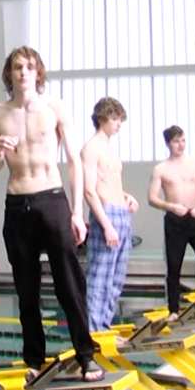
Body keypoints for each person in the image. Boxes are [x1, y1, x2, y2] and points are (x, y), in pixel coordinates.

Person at [0, 46, 101, 381]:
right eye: (17, 67)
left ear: (39, 73)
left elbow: (73, 161)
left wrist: (77, 212)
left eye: (29, 66)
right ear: (9, 74)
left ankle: (86, 355)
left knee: (70, 284)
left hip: (52, 200)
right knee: (27, 290)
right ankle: (33, 360)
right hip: (17, 204)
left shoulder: (55, 107)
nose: (23, 72)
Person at [148, 126, 195, 320]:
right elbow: (151, 198)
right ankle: (173, 310)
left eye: (182, 140)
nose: (180, 145)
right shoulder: (161, 169)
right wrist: (171, 206)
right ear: (168, 143)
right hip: (175, 220)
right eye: (176, 141)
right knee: (174, 266)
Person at [81, 97, 138, 333]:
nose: (118, 124)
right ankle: (93, 331)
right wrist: (106, 226)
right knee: (99, 278)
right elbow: (89, 190)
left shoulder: (109, 149)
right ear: (102, 118)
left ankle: (104, 326)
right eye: (115, 118)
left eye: (120, 119)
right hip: (107, 216)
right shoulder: (91, 148)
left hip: (122, 214)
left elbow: (111, 183)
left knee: (115, 280)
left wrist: (126, 196)